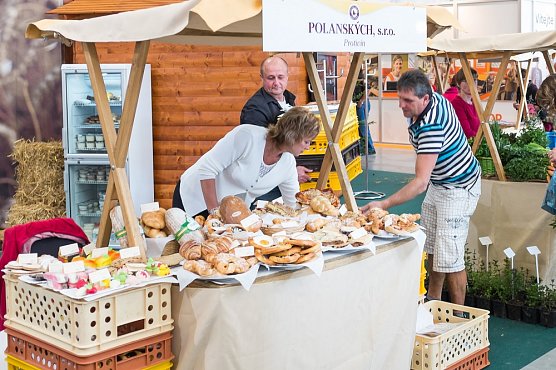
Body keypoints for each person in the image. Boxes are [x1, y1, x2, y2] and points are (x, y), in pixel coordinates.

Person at [360, 70, 481, 306]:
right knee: (433, 244)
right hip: (440, 182)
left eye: (408, 101)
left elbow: (419, 183)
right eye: (400, 99)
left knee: (451, 256)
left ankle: (458, 316)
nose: (401, 106)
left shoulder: (431, 127)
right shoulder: (432, 97)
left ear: (425, 98)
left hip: (458, 186)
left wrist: (383, 203)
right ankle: (432, 302)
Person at [173, 107, 320, 218]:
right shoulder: (247, 136)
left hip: (232, 214)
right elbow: (206, 170)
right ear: (292, 135)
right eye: (306, 141)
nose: (308, 147)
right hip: (194, 197)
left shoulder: (288, 164)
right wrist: (215, 214)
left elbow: (293, 203)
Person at [240, 56, 313, 187]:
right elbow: (258, 152)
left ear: (287, 76)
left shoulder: (289, 99)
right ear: (261, 77)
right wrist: (291, 171)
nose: (276, 82)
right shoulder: (254, 109)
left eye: (280, 77)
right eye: (271, 78)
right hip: (262, 183)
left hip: (286, 174)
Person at [450, 68, 481, 138]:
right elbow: (467, 133)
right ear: (458, 84)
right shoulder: (456, 104)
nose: (471, 83)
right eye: (466, 80)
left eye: (474, 80)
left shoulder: (475, 102)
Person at [353, 74, 377, 154]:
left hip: (362, 104)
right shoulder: (356, 79)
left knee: (363, 127)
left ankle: (369, 149)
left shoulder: (360, 78)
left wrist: (361, 101)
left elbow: (368, 90)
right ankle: (365, 148)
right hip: (361, 104)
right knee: (362, 127)